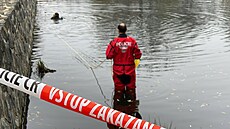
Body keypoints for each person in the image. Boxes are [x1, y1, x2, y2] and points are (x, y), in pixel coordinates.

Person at [106, 23, 142, 103]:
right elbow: (138, 55)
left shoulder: (114, 42)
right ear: (126, 30)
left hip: (118, 70)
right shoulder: (132, 41)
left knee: (119, 90)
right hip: (130, 69)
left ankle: (118, 110)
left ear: (118, 30)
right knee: (131, 89)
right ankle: (131, 109)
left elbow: (108, 56)